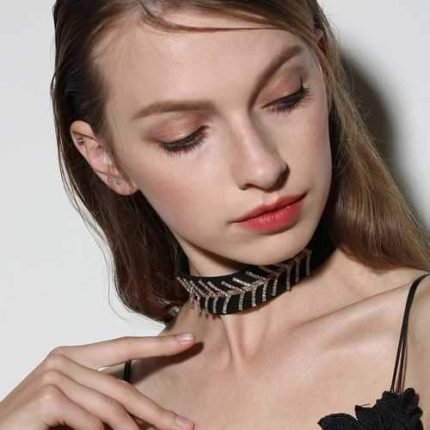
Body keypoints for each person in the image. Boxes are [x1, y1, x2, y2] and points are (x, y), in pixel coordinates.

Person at [1, 1, 429, 429]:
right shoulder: (101, 412)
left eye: (285, 97)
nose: (263, 168)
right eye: (184, 137)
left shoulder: (418, 331)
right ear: (105, 157)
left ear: (322, 65)